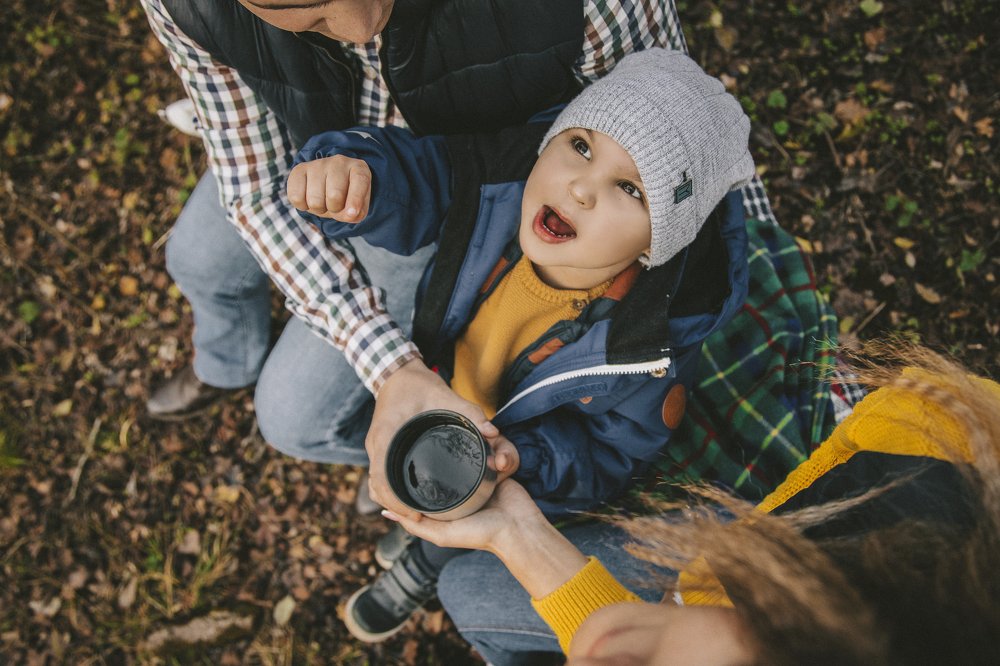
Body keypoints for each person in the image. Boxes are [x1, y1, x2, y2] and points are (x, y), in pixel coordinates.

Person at [138, 0, 693, 515]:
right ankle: (226, 362)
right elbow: (254, 187)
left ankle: (416, 452)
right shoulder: (186, 6)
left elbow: (676, 131)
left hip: (448, 199)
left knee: (291, 418)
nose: (360, 29)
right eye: (304, 8)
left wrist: (396, 377)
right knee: (196, 260)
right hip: (315, 149)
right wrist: (387, 360)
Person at [286, 48, 755, 641]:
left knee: (461, 524)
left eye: (630, 189)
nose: (581, 188)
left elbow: (609, 458)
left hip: (513, 467)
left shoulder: (646, 351)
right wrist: (357, 178)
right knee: (417, 479)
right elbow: (420, 179)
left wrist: (522, 460)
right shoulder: (496, 189)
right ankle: (414, 519)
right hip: (439, 390)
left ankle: (423, 566)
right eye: (581, 146)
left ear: (654, 246)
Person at [389, 342, 1000, 664]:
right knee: (467, 590)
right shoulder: (925, 436)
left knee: (466, 593)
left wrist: (514, 534)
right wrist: (516, 533)